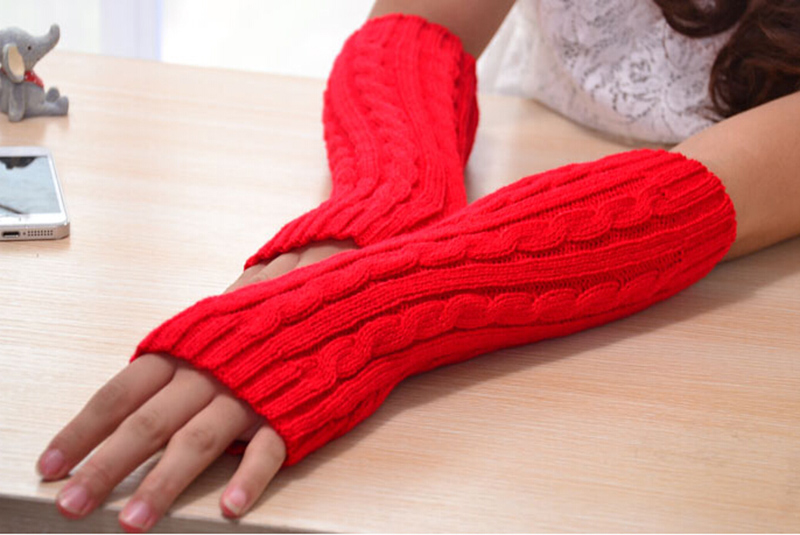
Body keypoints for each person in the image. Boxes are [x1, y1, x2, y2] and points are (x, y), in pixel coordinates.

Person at [37, 0, 800, 531]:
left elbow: (710, 190)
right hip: (526, 174)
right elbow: (418, 27)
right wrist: (385, 204)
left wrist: (373, 301)